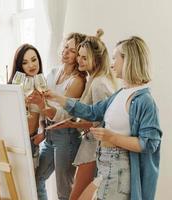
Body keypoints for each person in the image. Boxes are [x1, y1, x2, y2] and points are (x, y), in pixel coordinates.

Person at [45, 36, 162, 200]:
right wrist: (59, 99)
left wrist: (111, 136)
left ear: (128, 60)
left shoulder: (144, 100)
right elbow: (92, 111)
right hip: (105, 164)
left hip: (118, 169)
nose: (111, 63)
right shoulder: (120, 94)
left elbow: (150, 143)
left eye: (116, 58)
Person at [30, 33, 87, 200]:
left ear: (79, 56)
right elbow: (44, 107)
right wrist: (41, 128)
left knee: (64, 192)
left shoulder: (77, 81)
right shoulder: (53, 72)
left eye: (72, 50)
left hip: (66, 137)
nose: (65, 52)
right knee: (37, 179)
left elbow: (63, 116)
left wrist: (41, 105)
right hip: (50, 135)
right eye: (65, 47)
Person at [68, 30, 119, 200]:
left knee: (76, 197)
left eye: (84, 58)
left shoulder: (98, 83)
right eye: (79, 56)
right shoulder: (96, 79)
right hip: (93, 146)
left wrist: (74, 125)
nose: (79, 61)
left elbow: (100, 122)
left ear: (95, 59)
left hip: (94, 149)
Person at [8, 43, 43, 169]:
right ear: (19, 65)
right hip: (15, 141)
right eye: (25, 62)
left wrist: (43, 133)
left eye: (34, 60)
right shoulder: (15, 86)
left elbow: (47, 115)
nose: (31, 65)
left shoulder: (42, 84)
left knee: (33, 185)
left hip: (32, 140)